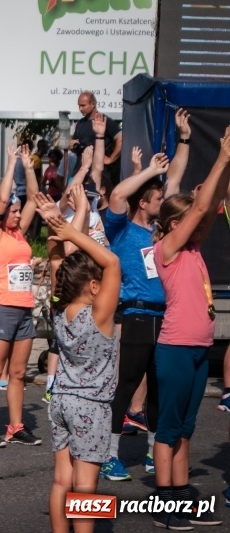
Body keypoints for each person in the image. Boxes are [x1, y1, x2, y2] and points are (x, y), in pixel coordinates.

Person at [148, 129, 230, 530]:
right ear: (175, 224)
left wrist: (227, 166)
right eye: (190, 223)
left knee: (185, 429)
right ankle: (165, 503)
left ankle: (181, 497)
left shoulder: (192, 248)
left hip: (198, 348)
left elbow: (210, 205)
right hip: (176, 348)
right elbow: (199, 211)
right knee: (168, 429)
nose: (200, 230)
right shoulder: (167, 251)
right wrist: (219, 157)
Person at [34, 193, 120, 533]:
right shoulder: (99, 315)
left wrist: (55, 226)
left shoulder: (60, 307)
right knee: (86, 487)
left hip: (62, 401)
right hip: (91, 406)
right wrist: (69, 231)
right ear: (95, 285)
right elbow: (112, 262)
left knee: (61, 481)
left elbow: (58, 262)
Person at [99, 152, 170, 482]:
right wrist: (150, 170)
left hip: (164, 317)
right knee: (125, 387)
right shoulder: (122, 230)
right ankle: (110, 456)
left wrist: (183, 140)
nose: (162, 202)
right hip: (136, 316)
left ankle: (155, 453)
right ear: (144, 202)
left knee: (158, 390)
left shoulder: (159, 234)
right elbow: (116, 196)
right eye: (158, 198)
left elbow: (179, 176)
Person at [0, 143, 42, 448]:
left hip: (24, 308)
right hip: (1, 307)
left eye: (18, 212)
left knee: (18, 373)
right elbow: (3, 199)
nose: (16, 215)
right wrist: (11, 163)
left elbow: (34, 198)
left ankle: (16, 426)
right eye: (12, 212)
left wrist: (28, 167)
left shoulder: (18, 233)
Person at [71, 92, 122, 181]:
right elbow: (75, 144)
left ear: (93, 104)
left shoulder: (104, 121)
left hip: (99, 175)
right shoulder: (80, 123)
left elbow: (121, 138)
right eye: (79, 106)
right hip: (81, 172)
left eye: (83, 105)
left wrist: (111, 159)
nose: (80, 109)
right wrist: (71, 145)